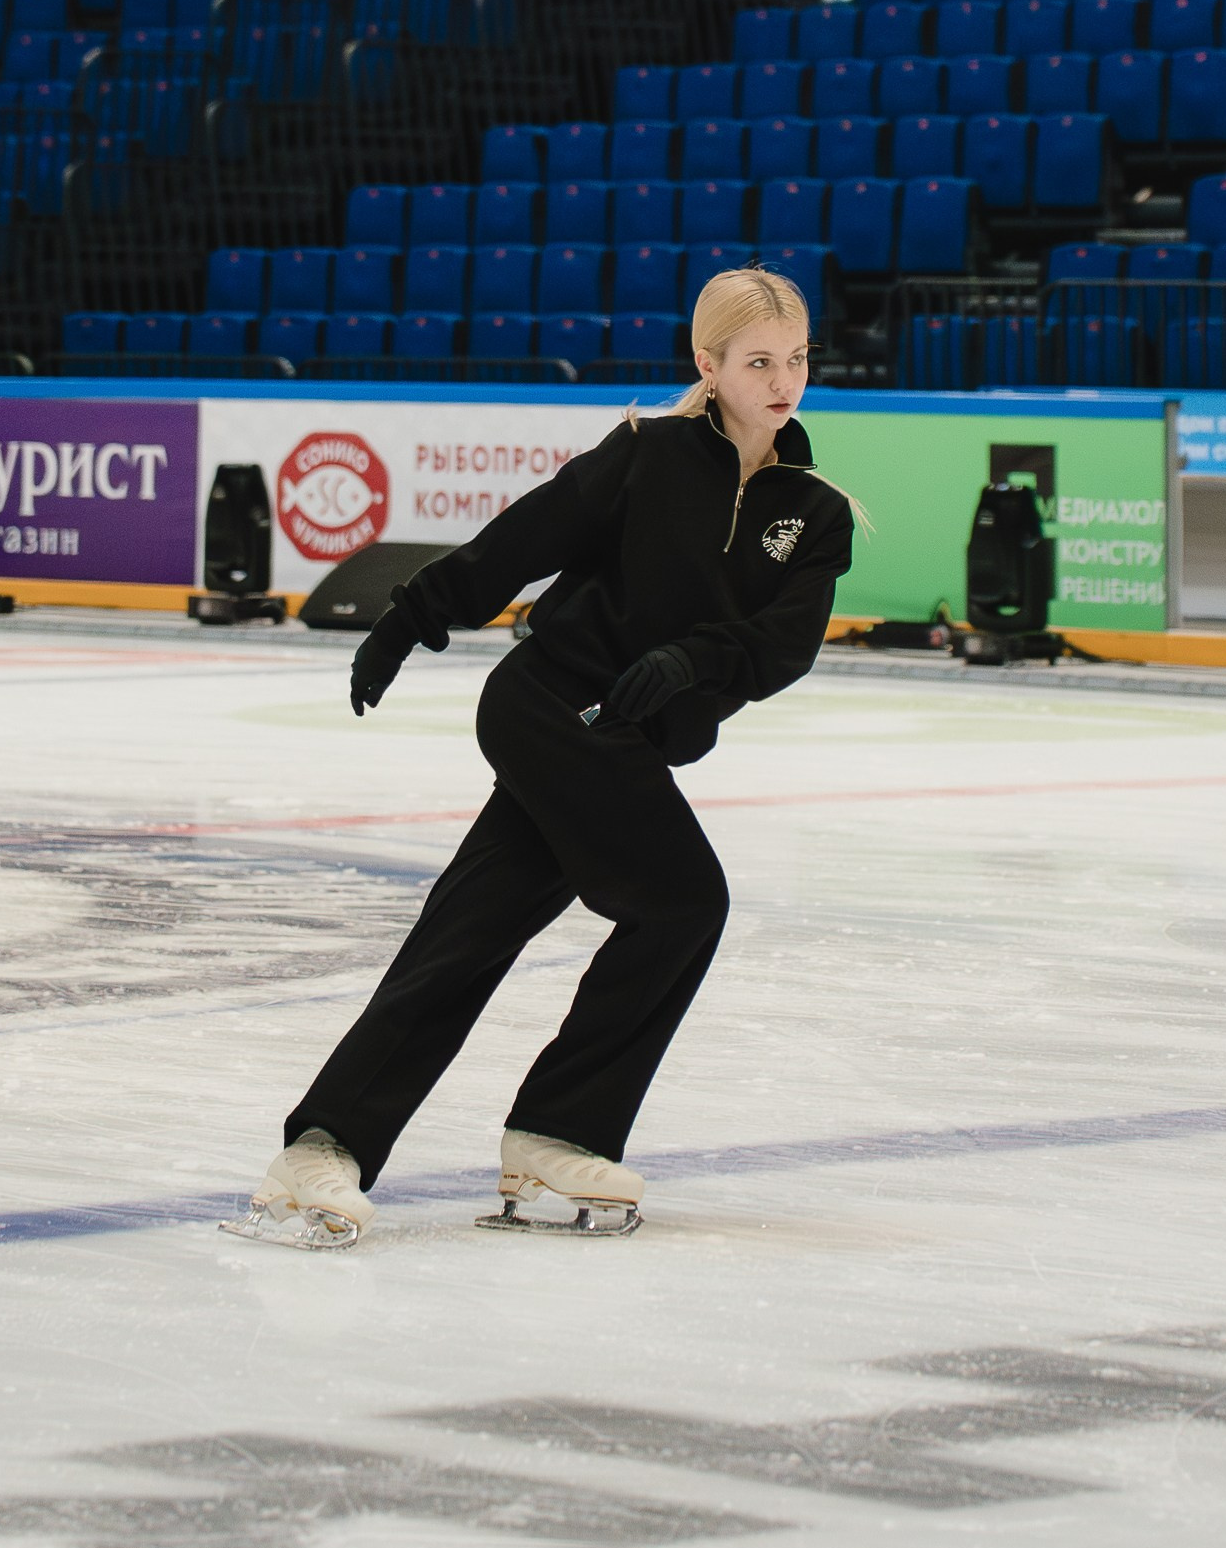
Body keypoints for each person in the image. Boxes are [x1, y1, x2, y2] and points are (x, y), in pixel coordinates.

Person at [240, 266, 856, 1245]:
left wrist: (686, 661)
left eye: (795, 357)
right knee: (683, 899)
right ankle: (556, 1128)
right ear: (708, 363)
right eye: (757, 361)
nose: (783, 380)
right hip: (544, 705)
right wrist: (412, 615)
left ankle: (323, 1147)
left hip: (617, 735)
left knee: (469, 929)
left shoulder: (813, 509)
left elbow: (780, 647)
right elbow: (518, 539)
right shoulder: (644, 453)